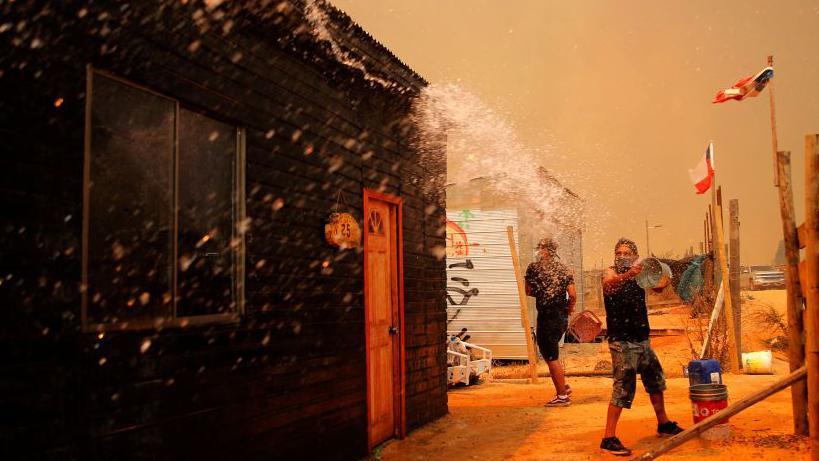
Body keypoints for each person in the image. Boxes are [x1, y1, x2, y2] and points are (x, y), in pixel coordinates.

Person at [599, 238, 684, 456]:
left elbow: (656, 286)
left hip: (642, 338)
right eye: (618, 253)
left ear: (635, 256)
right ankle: (608, 438)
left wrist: (665, 276)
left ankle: (663, 423)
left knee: (655, 382)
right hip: (622, 341)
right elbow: (609, 285)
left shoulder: (640, 274)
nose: (622, 256)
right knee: (622, 388)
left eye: (627, 253)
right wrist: (630, 274)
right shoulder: (609, 272)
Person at [525, 237, 577, 407]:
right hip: (561, 317)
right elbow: (573, 294)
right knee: (553, 352)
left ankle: (562, 396)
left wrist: (543, 292)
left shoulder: (534, 268)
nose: (538, 252)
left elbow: (528, 291)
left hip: (547, 317)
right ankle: (563, 385)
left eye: (540, 248)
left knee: (550, 355)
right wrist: (568, 309)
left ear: (545, 250)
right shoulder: (563, 269)